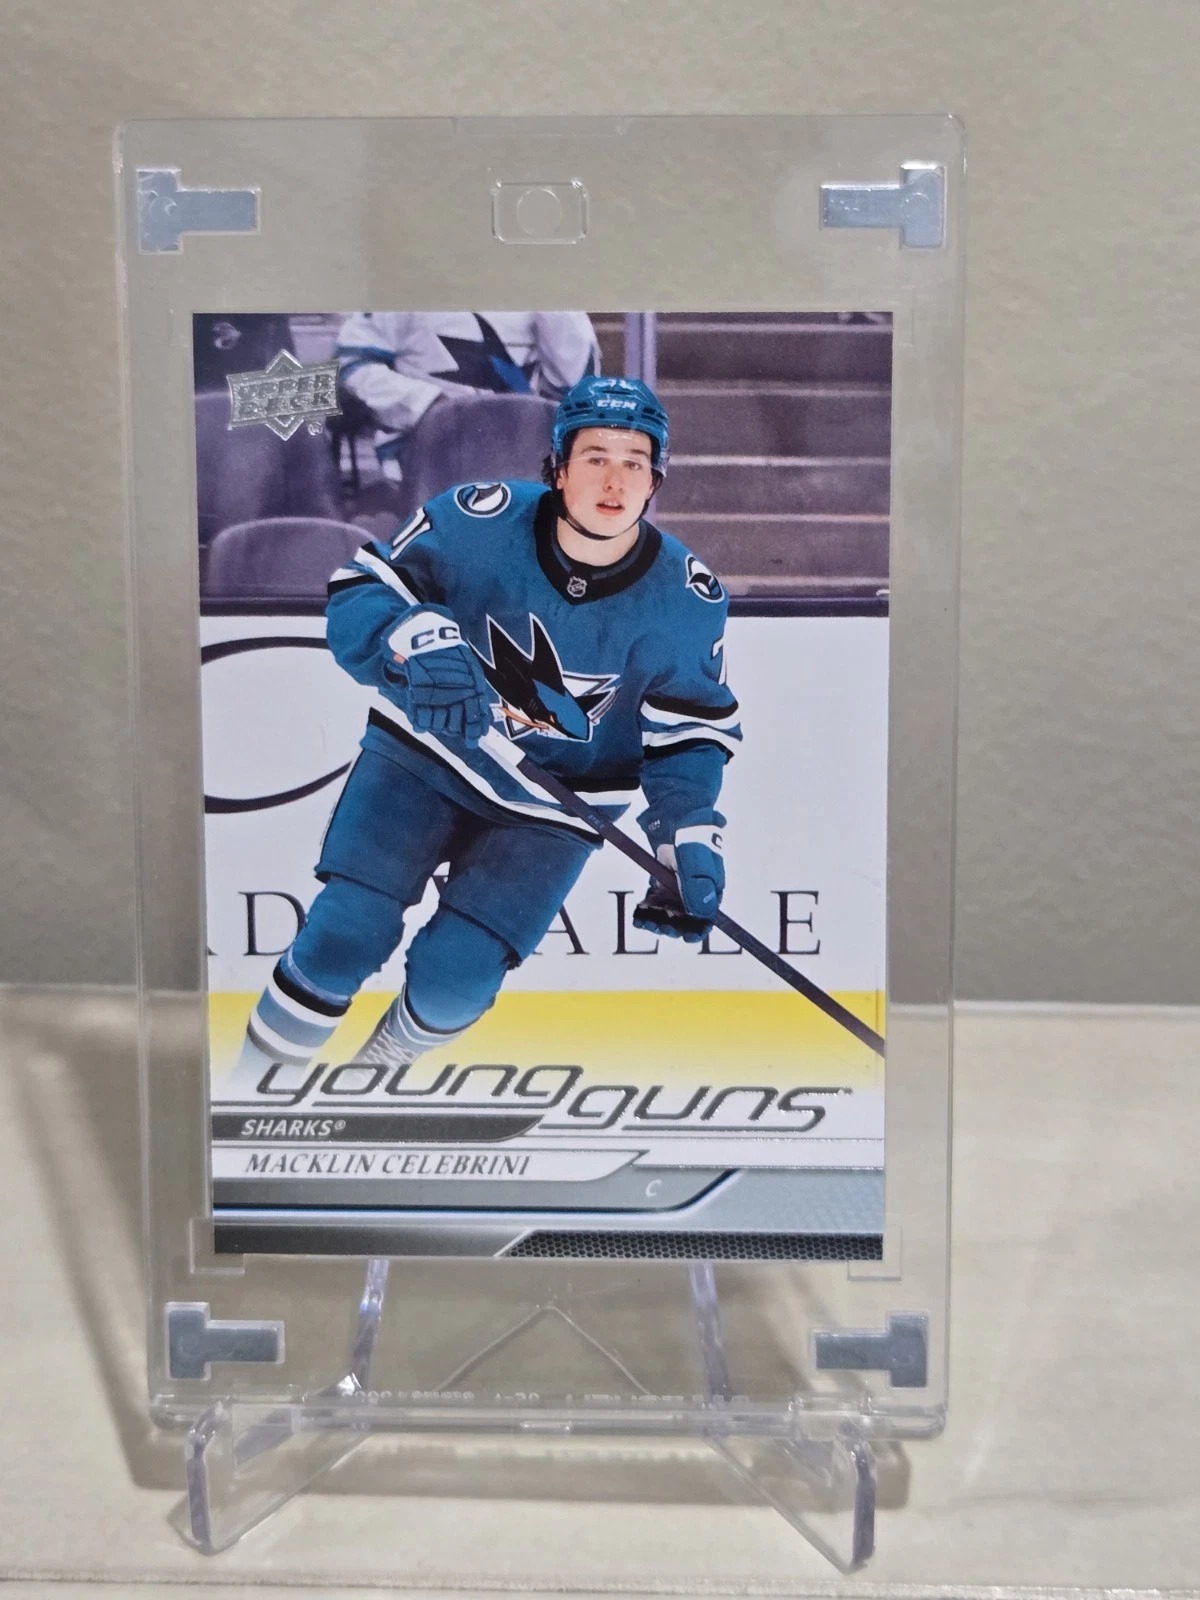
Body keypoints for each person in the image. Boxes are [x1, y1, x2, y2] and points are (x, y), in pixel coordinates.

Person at [234, 375, 741, 1079]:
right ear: (558, 467)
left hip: (556, 806)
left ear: (656, 479)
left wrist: (685, 834)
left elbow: (688, 732)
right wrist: (409, 637)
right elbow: (361, 592)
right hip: (424, 756)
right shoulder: (478, 520)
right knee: (345, 934)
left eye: (635, 462)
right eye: (595, 457)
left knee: (457, 980)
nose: (615, 480)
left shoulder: (687, 596)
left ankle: (372, 1082)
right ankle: (253, 1095)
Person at [335, 310, 599, 478]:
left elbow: (576, 386)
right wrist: (430, 404)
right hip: (427, 451)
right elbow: (351, 365)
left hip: (521, 451)